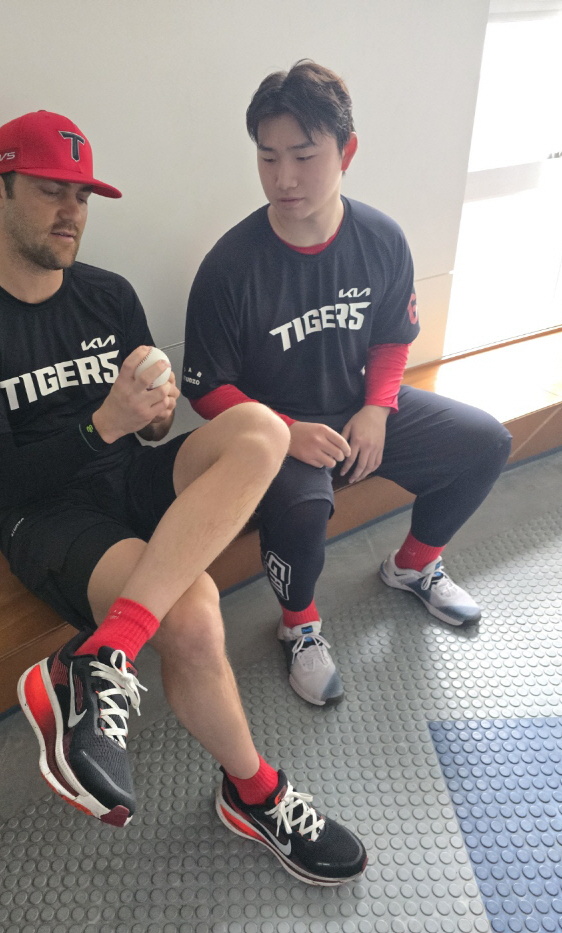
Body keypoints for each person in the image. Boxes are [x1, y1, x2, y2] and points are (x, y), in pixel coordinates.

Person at [0, 110, 367, 885]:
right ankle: (254, 792)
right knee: (193, 612)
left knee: (261, 429)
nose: (71, 213)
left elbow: (152, 433)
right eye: (51, 191)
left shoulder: (109, 295)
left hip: (131, 476)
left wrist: (150, 416)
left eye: (83, 196)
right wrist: (102, 424)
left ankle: (103, 652)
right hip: (46, 515)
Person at [182, 62, 512, 707]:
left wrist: (379, 407)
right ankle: (299, 626)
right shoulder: (229, 266)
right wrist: (283, 431)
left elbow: (392, 337)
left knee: (486, 442)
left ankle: (414, 565)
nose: (284, 177)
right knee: (302, 510)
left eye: (304, 156)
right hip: (272, 429)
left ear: (346, 151)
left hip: (357, 407)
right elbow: (206, 388)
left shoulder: (381, 238)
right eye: (268, 157)